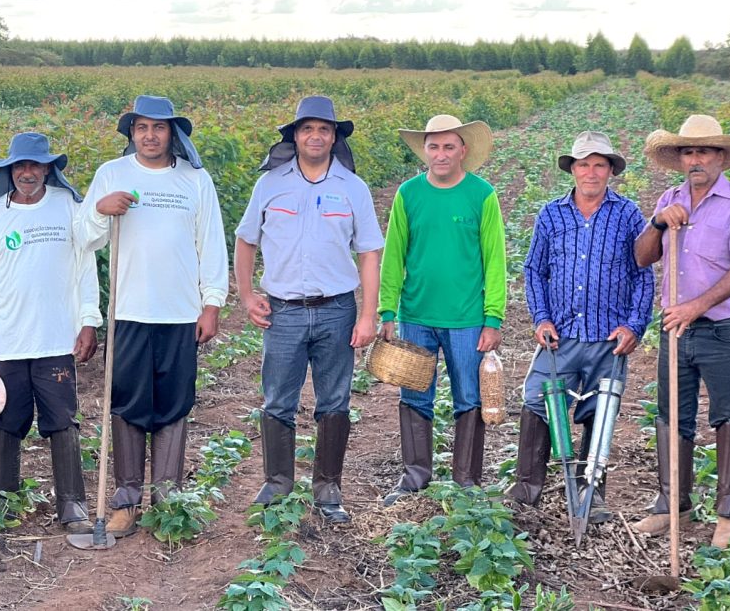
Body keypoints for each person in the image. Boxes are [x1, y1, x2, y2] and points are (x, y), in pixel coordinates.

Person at [74, 96, 228, 538]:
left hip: (180, 312)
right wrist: (102, 211)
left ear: (172, 133)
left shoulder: (195, 180)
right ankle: (125, 499)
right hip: (129, 312)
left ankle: (167, 499)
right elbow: (84, 238)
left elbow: (210, 242)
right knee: (127, 403)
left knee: (175, 403)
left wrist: (212, 302)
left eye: (158, 128)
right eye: (141, 128)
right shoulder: (112, 174)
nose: (150, 136)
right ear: (132, 133)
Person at [234, 96, 383, 524]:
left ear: (334, 138)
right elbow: (246, 240)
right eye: (307, 129)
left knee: (334, 400)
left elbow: (370, 252)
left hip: (336, 308)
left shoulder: (353, 188)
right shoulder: (271, 184)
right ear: (295, 136)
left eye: (324, 130)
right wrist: (247, 296)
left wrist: (367, 314)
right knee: (278, 399)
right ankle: (277, 481)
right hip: (283, 312)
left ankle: (328, 486)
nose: (316, 136)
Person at [507, 131, 654, 521]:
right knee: (538, 398)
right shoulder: (552, 215)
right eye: (583, 164)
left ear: (610, 171)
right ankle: (527, 486)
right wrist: (541, 317)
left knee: (600, 409)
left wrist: (635, 325)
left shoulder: (627, 215)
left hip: (609, 336)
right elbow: (535, 270)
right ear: (572, 169)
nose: (591, 172)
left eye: (599, 165)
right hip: (562, 335)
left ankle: (593, 493)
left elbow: (643, 274)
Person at [631, 115, 730, 549]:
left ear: (721, 157)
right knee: (672, 415)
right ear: (679, 159)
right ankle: (673, 504)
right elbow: (642, 257)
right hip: (675, 329)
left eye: (705, 150)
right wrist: (656, 223)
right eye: (688, 151)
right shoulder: (669, 200)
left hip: (720, 328)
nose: (696, 159)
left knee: (728, 415)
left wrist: (695, 306)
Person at [0, 132, 101, 534]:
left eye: (34, 165)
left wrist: (88, 320)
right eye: (19, 166)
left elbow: (84, 267)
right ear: (10, 171)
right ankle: (0, 501)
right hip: (7, 340)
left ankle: (72, 503)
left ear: (47, 169)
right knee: (6, 420)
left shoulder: (68, 207)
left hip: (56, 339)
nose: (27, 173)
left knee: (62, 419)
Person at [379, 114, 504, 505]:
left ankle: (467, 479)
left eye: (449, 146)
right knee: (415, 395)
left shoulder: (482, 195)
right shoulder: (409, 194)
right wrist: (387, 310)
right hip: (416, 316)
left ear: (463, 150)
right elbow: (394, 253)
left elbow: (495, 259)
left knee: (470, 397)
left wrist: (493, 317)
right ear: (425, 151)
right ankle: (416, 474)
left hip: (467, 319)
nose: (441, 153)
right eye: (434, 146)